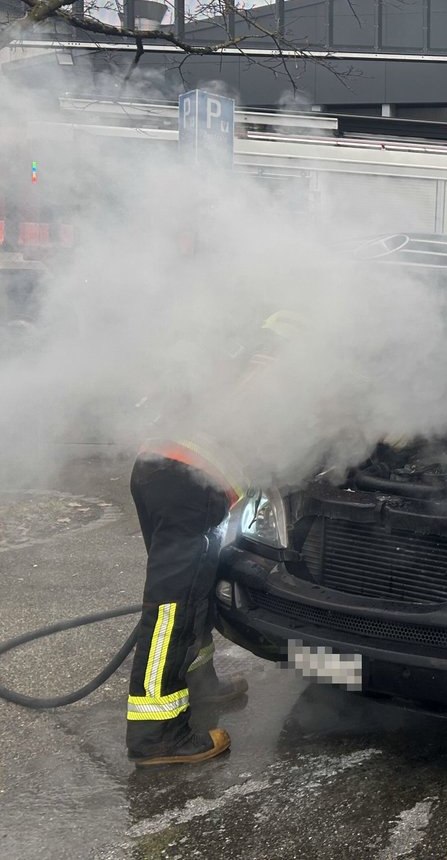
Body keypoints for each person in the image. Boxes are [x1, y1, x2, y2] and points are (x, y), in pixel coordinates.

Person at [125, 310, 303, 766]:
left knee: (194, 595)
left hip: (158, 471)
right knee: (172, 610)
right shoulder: (276, 373)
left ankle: (200, 683)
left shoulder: (238, 356)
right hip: (190, 485)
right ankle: (156, 735)